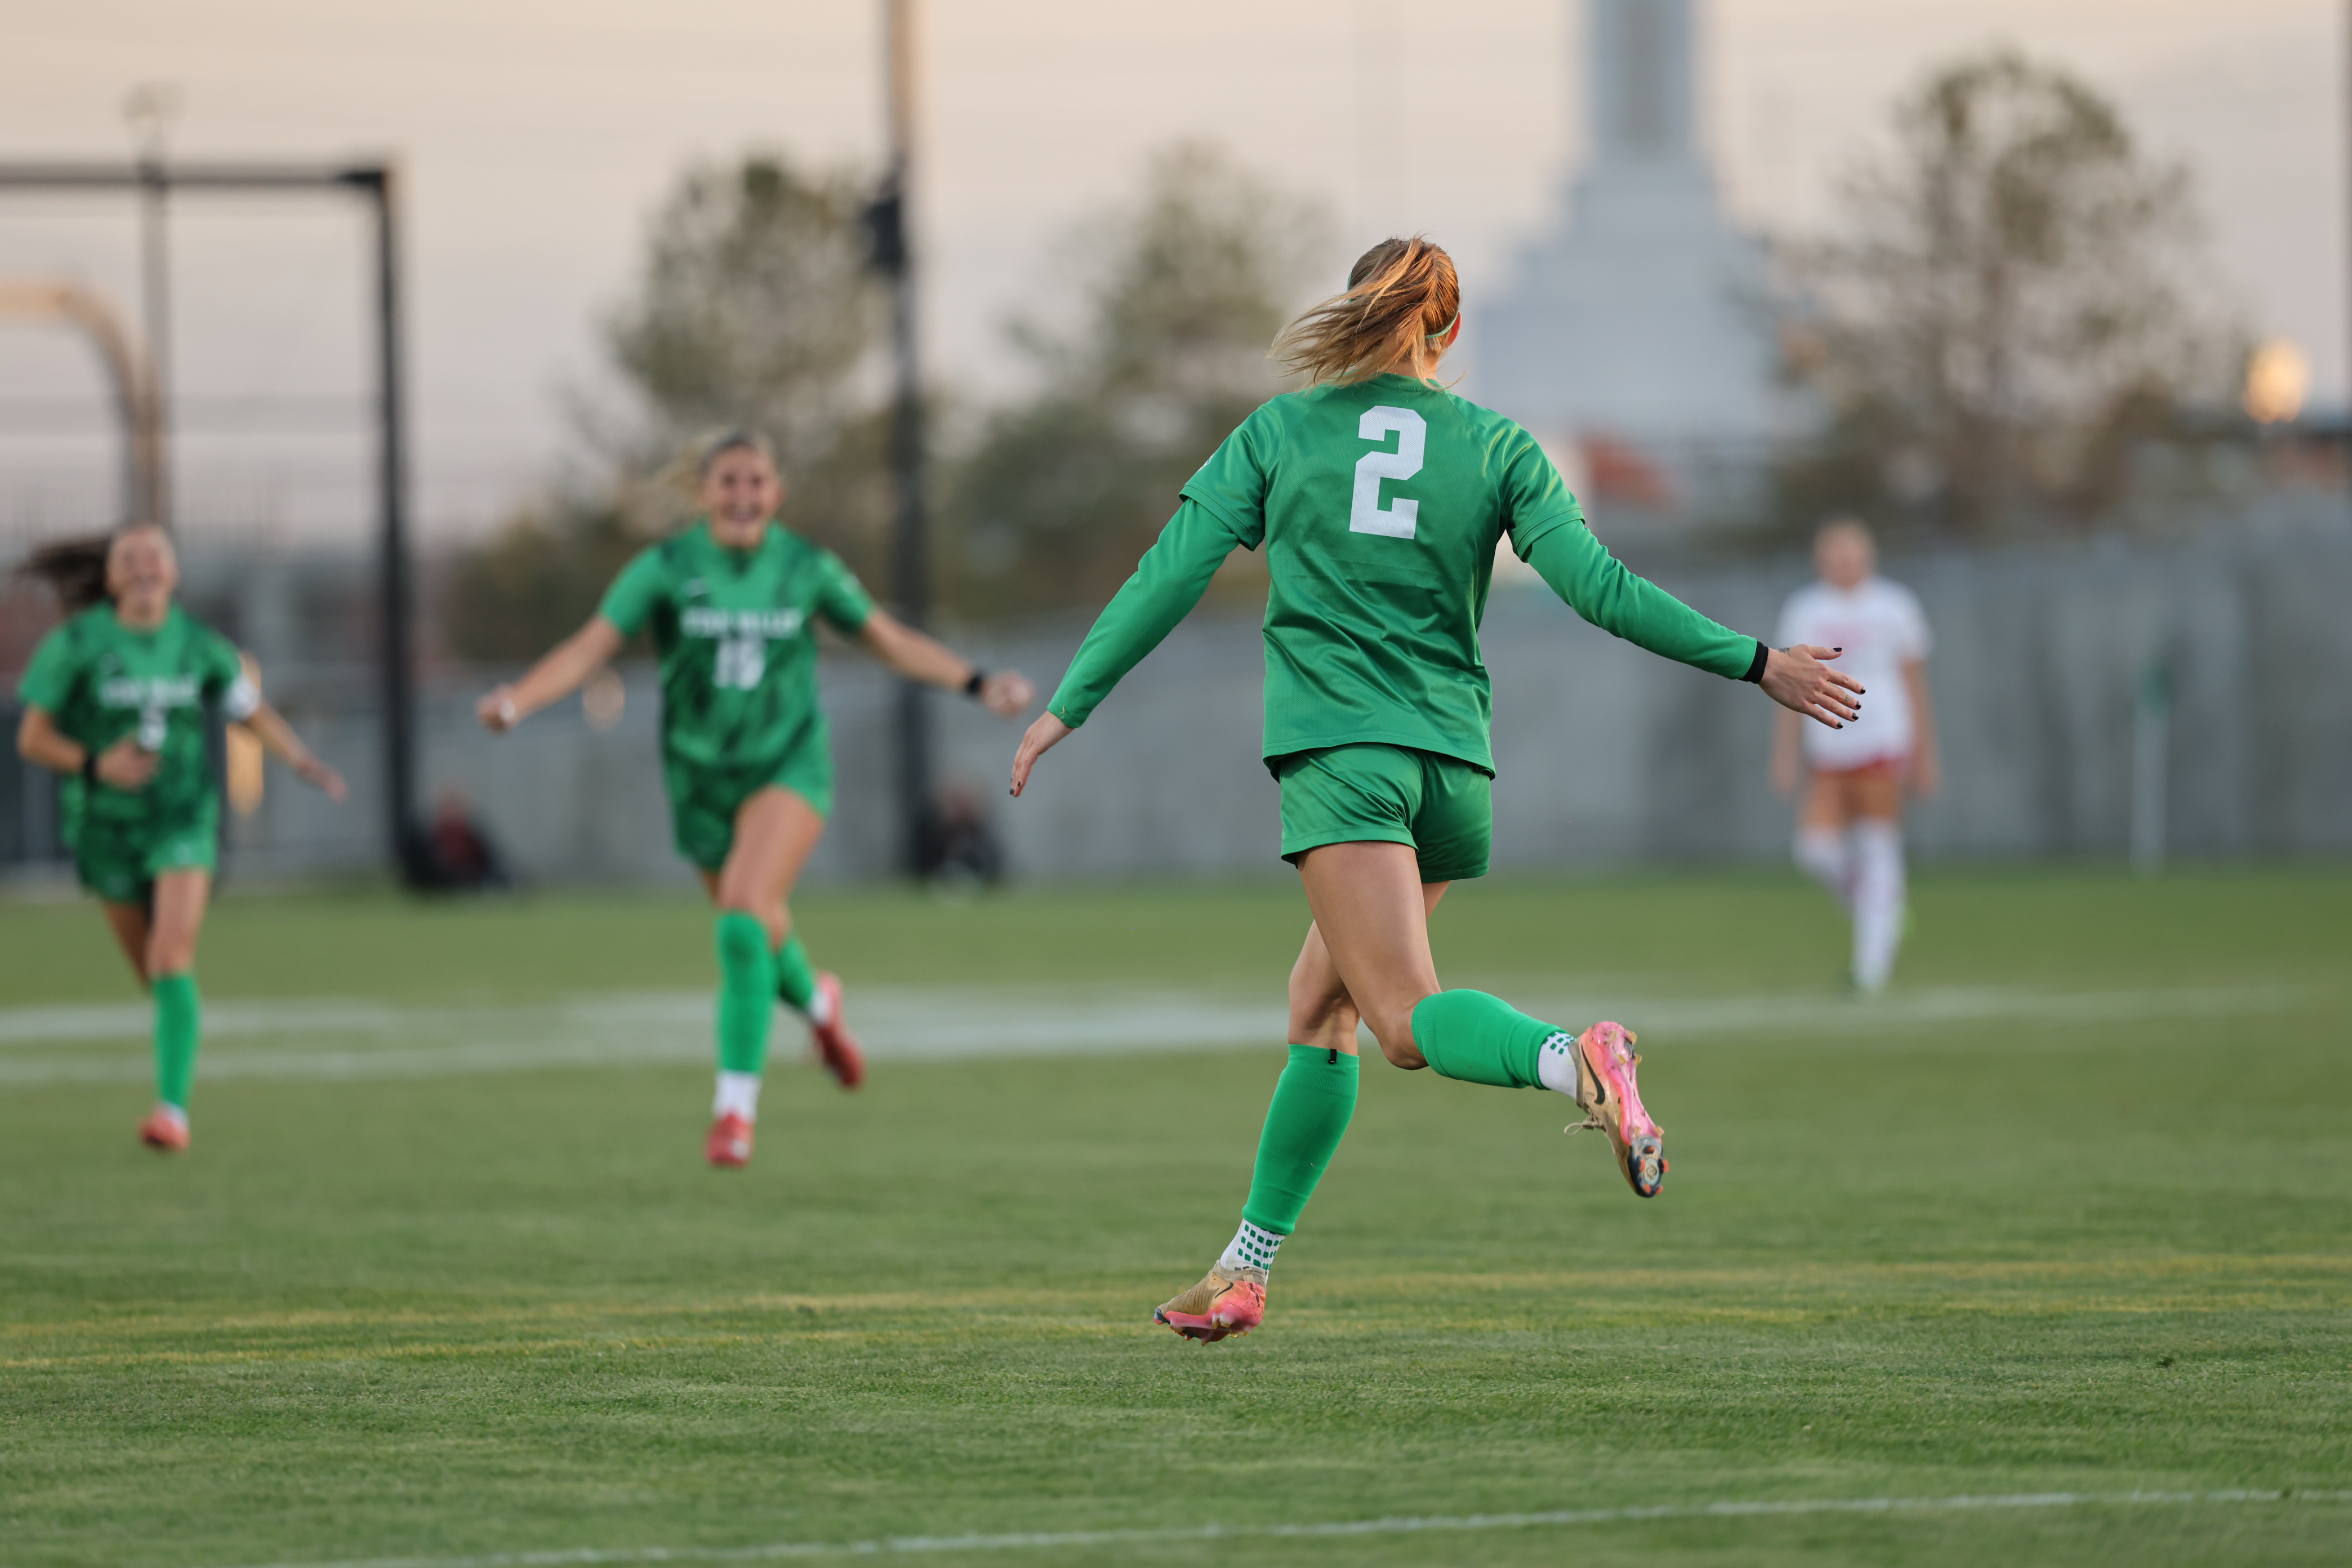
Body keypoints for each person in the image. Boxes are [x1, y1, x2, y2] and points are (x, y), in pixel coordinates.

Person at [1008, 238, 1862, 1342]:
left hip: (1345, 764)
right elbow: (1599, 588)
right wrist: (1757, 660)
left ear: (1357, 316)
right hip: (1454, 777)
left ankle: (1578, 1059)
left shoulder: (1278, 432)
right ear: (1446, 332)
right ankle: (1246, 1268)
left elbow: (1169, 572)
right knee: (1320, 1009)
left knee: (1403, 1023)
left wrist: (1067, 703)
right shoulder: (1499, 445)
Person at [476, 430, 1034, 1168]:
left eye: (757, 482)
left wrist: (974, 681)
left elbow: (886, 638)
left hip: (788, 768)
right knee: (758, 927)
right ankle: (820, 1006)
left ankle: (733, 1113)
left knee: (741, 916)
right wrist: (517, 701)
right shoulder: (668, 568)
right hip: (700, 779)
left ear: (776, 493)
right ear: (704, 493)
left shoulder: (805, 567)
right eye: (729, 482)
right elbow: (589, 649)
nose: (744, 495)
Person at [14, 523, 349, 1153]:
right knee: (155, 974)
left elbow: (251, 711)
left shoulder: (201, 646)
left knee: (171, 957)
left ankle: (172, 1113)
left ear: (174, 573)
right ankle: (181, 1040)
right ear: (111, 577)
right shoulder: (77, 643)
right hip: (104, 826)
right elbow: (32, 738)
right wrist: (96, 763)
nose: (144, 565)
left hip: (182, 819)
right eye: (129, 557)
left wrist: (301, 759)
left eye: (156, 556)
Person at [1771, 518, 1936, 993]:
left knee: (1877, 843)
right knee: (1815, 852)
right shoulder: (1804, 608)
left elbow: (1914, 681)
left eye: (1851, 551)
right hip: (1828, 740)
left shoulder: (1895, 605)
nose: (1843, 560)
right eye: (1833, 551)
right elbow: (1784, 680)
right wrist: (1784, 753)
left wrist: (1924, 753)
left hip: (1882, 736)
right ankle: (1880, 907)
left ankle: (1870, 968)